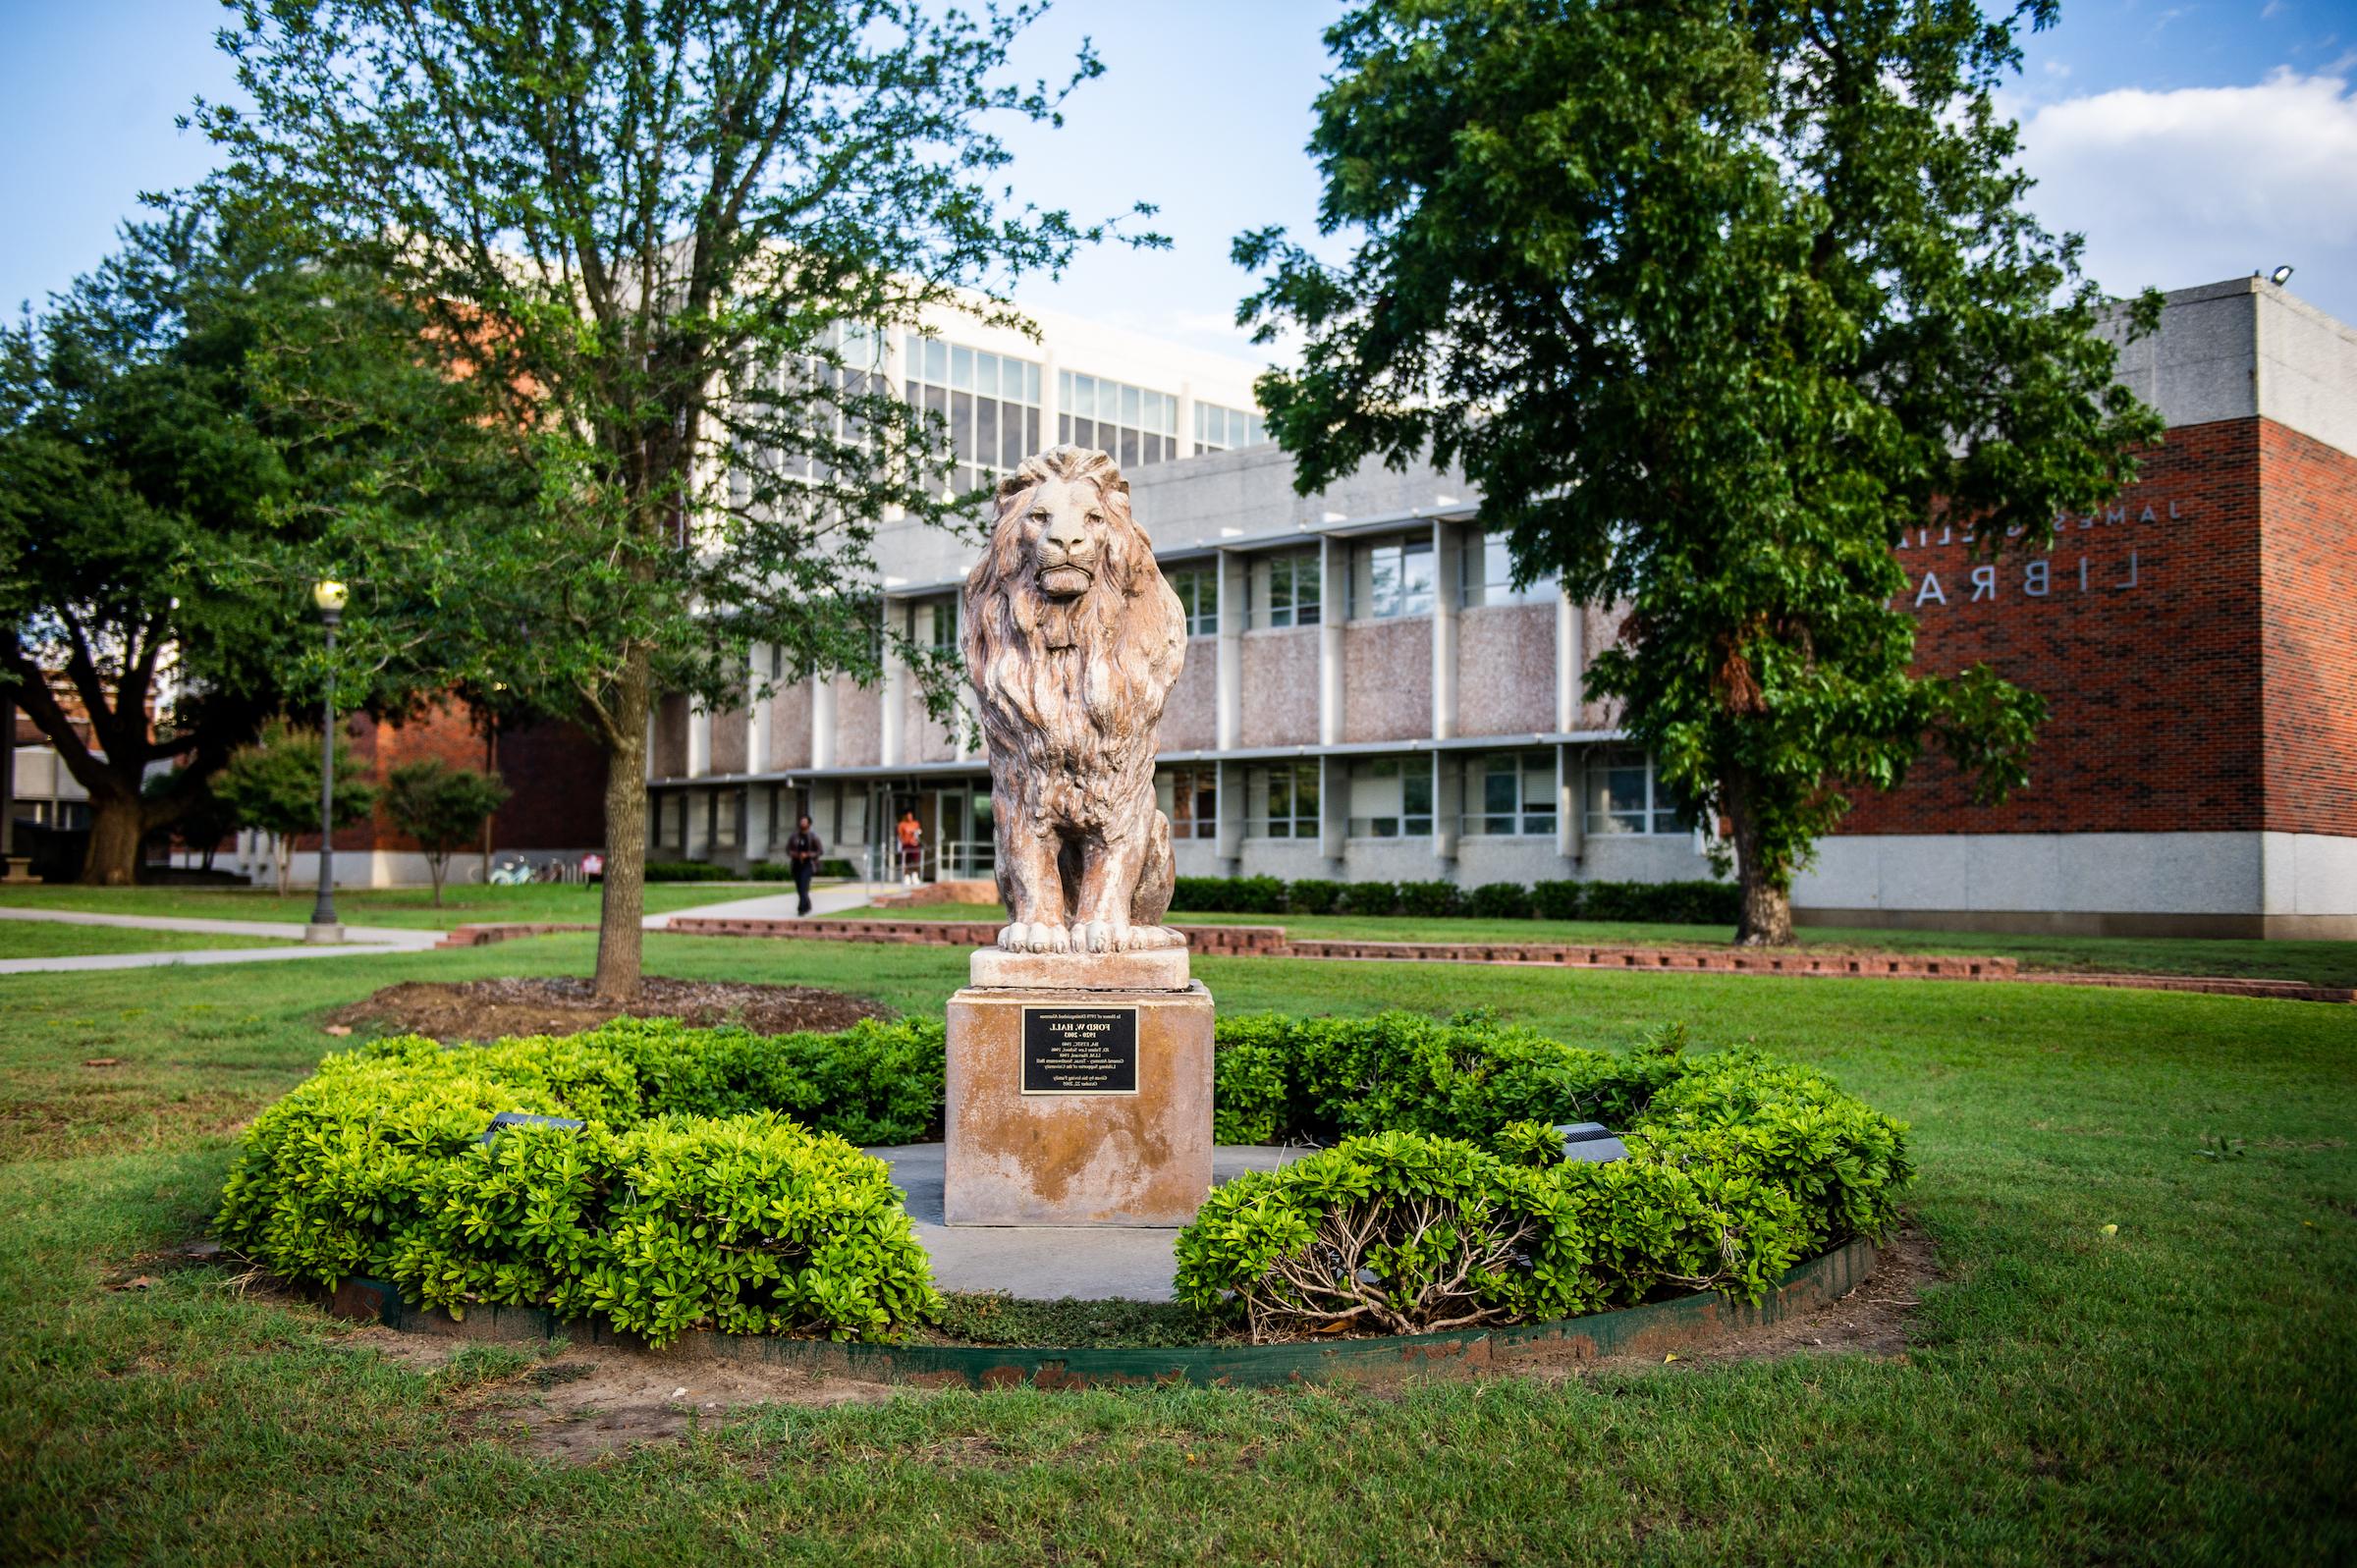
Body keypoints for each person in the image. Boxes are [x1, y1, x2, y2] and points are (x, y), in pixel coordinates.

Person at [784, 814, 823, 917]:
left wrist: (808, 855)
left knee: (803, 886)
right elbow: (788, 850)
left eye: (805, 822)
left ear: (809, 824)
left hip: (808, 864)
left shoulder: (813, 837)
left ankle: (801, 909)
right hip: (796, 864)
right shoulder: (794, 836)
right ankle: (808, 905)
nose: (802, 823)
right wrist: (796, 855)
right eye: (801, 821)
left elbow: (820, 851)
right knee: (799, 888)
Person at [897, 808, 922, 888]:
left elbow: (918, 833)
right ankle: (907, 877)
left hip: (914, 845)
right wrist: (905, 841)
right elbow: (900, 836)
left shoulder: (916, 823)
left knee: (916, 861)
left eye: (911, 816)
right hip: (906, 845)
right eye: (908, 816)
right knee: (906, 861)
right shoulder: (901, 825)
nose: (910, 817)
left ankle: (915, 876)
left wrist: (917, 834)